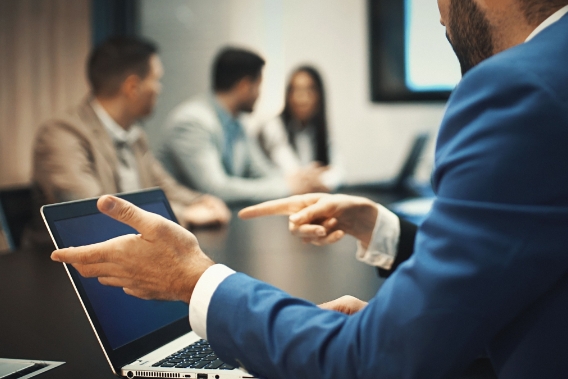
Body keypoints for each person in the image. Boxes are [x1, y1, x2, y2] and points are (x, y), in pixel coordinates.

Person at [51, 1, 568, 378]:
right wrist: (402, 293)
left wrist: (194, 279)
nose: (438, 15)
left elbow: (372, 361)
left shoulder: (521, 87)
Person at [33, 36, 231, 229]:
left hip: (129, 251)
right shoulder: (61, 134)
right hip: (65, 258)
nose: (159, 89)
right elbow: (93, 211)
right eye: (156, 80)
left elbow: (163, 187)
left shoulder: (134, 134)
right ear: (132, 87)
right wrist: (184, 214)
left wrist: (201, 201)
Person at [159, 47, 329, 204]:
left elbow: (260, 171)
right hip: (184, 227)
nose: (259, 94)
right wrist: (287, 187)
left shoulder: (237, 123)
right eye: (259, 85)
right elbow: (215, 189)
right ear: (244, 86)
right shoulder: (192, 122)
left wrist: (300, 180)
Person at [258, 65, 343, 190]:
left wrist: (324, 181)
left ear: (319, 96)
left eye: (309, 90)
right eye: (295, 90)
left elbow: (339, 171)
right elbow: (290, 170)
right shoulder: (273, 127)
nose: (301, 98)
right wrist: (316, 176)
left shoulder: (319, 129)